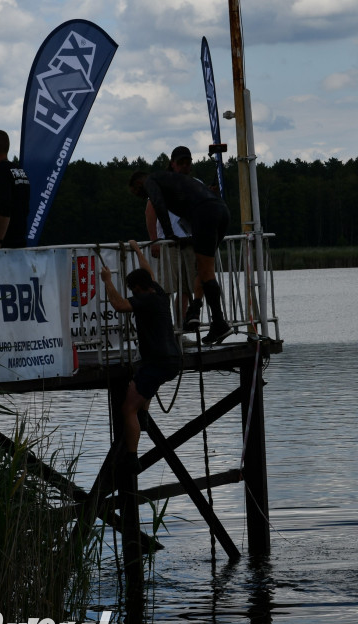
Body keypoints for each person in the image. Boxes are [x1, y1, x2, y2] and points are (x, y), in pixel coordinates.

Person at [100, 240, 183, 460]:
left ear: (137, 289)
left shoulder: (145, 300)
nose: (132, 293)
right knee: (142, 378)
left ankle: (131, 457)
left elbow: (118, 305)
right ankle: (144, 415)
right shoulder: (158, 292)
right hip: (173, 360)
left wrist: (107, 281)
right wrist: (137, 250)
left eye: (132, 290)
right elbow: (148, 272)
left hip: (158, 362)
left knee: (128, 409)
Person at [129, 169, 232, 345]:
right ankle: (201, 312)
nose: (139, 196)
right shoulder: (173, 179)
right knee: (204, 269)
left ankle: (218, 322)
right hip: (221, 211)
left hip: (205, 213)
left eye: (137, 193)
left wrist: (168, 234)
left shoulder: (150, 180)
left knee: (205, 271)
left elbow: (159, 204)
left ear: (138, 184)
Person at [144, 146, 199, 319]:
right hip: (168, 244)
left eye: (187, 162)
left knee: (187, 289)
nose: (184, 166)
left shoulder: (197, 183)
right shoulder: (162, 184)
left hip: (190, 243)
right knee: (166, 288)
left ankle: (180, 330)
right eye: (180, 162)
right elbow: (150, 212)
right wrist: (154, 240)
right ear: (172, 164)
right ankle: (166, 329)